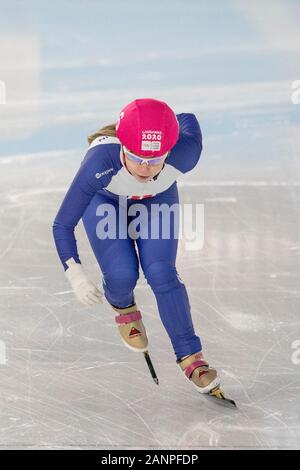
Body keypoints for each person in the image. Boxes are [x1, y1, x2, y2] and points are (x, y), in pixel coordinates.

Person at [53, 98, 220, 396]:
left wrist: (159, 121)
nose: (145, 167)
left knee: (161, 273)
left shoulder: (187, 152)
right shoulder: (98, 165)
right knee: (121, 276)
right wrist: (75, 274)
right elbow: (62, 225)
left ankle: (191, 357)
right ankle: (124, 307)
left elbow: (186, 116)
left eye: (155, 159)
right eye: (136, 157)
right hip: (105, 201)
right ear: (121, 148)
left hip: (157, 198)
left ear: (169, 150)